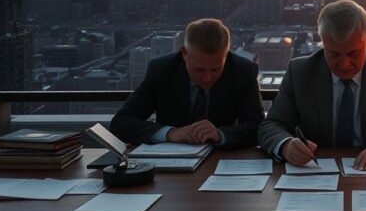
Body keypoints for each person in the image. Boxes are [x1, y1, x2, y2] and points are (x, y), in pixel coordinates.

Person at [258, 0, 366, 169]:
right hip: (316, 174)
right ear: (322, 41)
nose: (344, 64)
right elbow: (271, 126)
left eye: (353, 53)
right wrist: (286, 145)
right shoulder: (301, 72)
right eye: (334, 54)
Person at [110, 18, 264, 149]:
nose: (208, 78)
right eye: (199, 70)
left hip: (222, 162)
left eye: (216, 69)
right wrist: (170, 133)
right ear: (184, 53)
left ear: (227, 54)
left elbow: (258, 126)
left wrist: (220, 134)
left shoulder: (243, 71)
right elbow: (121, 123)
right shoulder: (162, 70)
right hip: (171, 168)